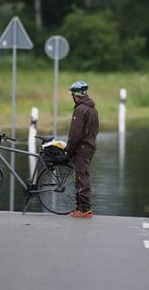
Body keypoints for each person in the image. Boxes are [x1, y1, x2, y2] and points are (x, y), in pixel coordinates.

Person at [65, 81, 99, 218]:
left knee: (81, 177)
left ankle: (84, 209)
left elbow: (75, 135)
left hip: (82, 149)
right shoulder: (92, 109)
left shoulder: (80, 110)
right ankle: (81, 208)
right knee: (82, 175)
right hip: (90, 146)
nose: (71, 96)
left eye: (72, 94)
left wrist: (68, 151)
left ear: (76, 95)